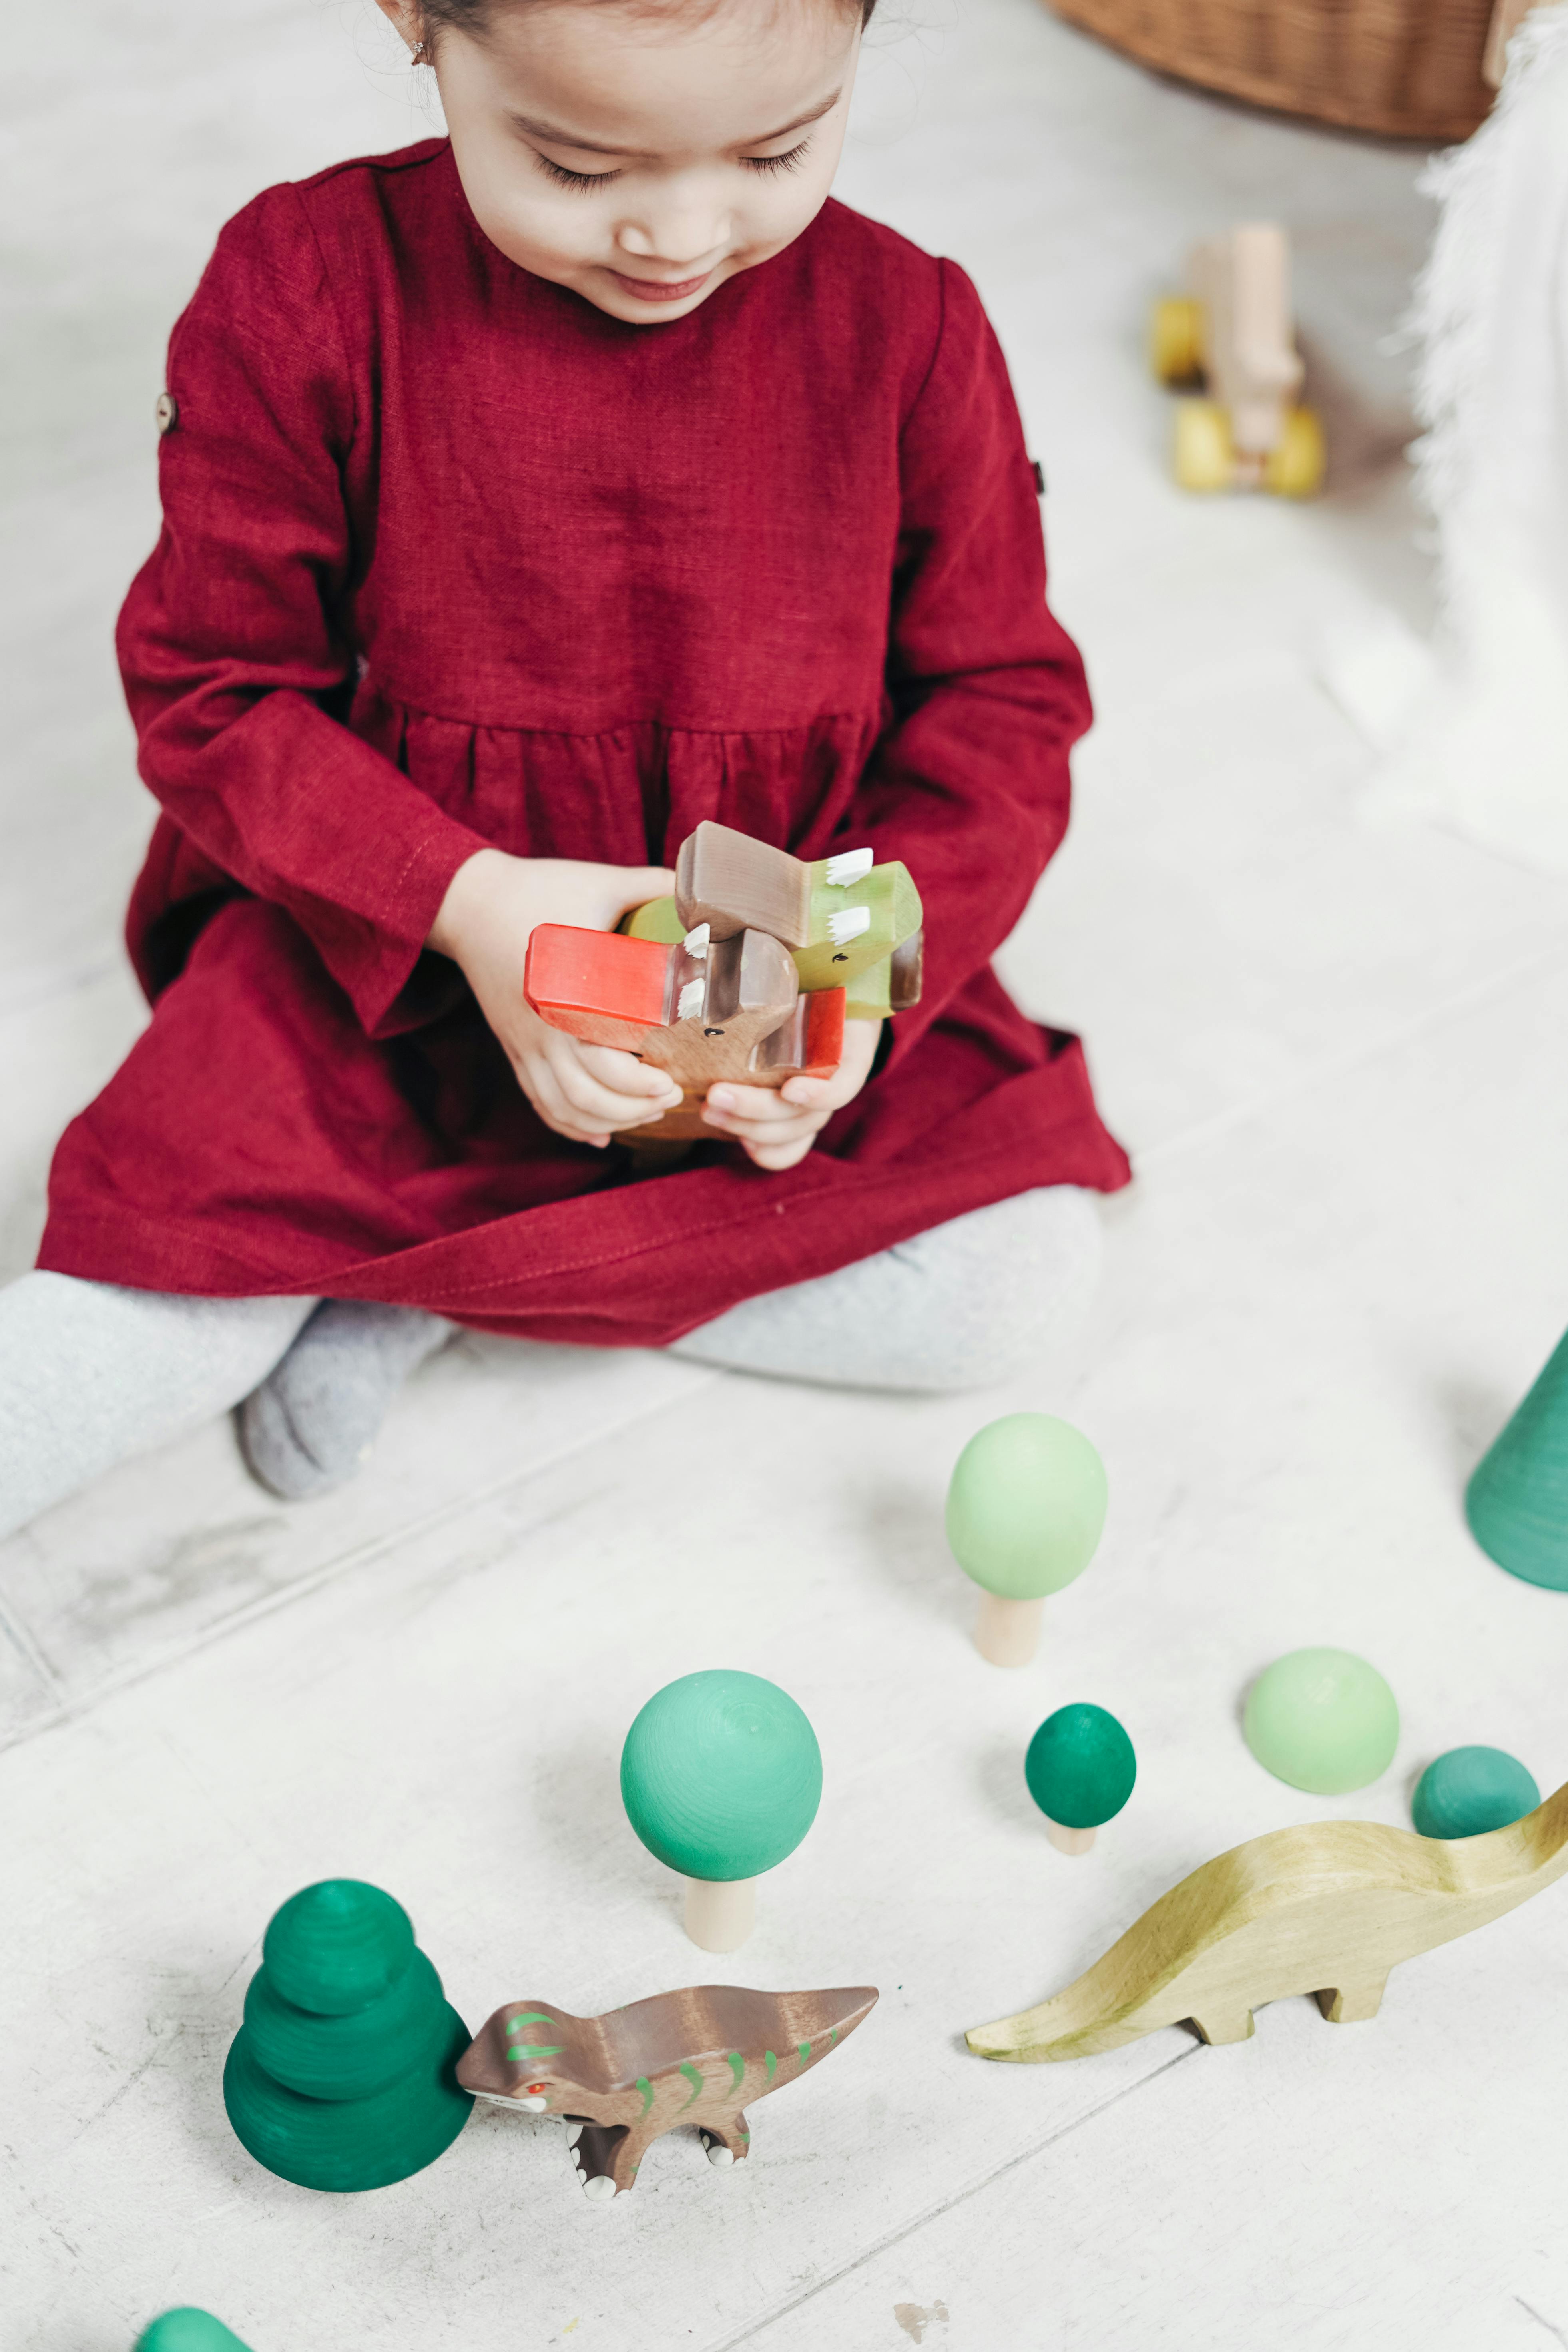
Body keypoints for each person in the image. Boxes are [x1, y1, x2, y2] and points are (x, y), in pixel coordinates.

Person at [0, 0, 1130, 1541]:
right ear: (418, 24)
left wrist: (846, 984)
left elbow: (998, 703)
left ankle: (418, 1287)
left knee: (1023, 1286)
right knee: (112, 1312)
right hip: (378, 970)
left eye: (776, 147)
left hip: (751, 991)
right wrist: (469, 907)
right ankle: (407, 1264)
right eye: (578, 164)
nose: (677, 230)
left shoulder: (910, 331)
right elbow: (213, 691)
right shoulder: (307, 288)